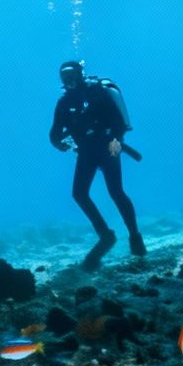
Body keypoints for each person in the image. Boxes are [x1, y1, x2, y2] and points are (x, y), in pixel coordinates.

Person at [50, 60, 144, 267]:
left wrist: (116, 141)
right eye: (64, 76)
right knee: (79, 194)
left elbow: (118, 122)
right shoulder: (64, 103)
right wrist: (58, 143)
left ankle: (135, 237)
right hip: (86, 152)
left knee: (116, 192)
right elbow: (54, 132)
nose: (69, 79)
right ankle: (105, 234)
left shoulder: (97, 93)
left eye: (72, 74)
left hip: (108, 148)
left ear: (80, 74)